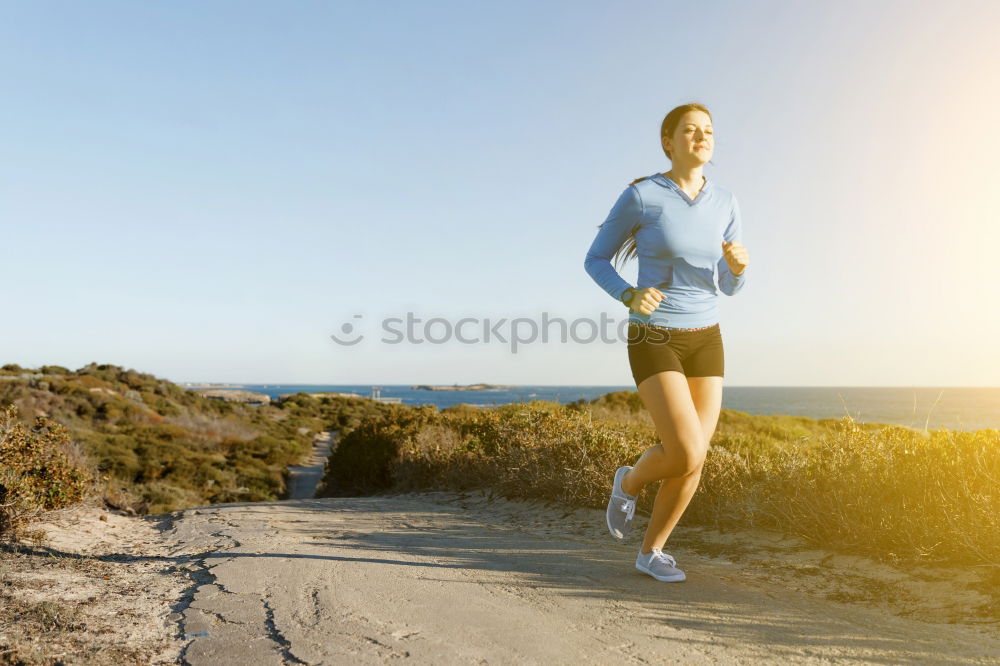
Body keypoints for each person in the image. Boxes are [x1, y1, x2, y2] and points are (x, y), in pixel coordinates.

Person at [583, 102, 750, 583]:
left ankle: (651, 552)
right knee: (684, 451)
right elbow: (596, 260)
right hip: (653, 333)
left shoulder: (727, 202)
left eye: (709, 132)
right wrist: (630, 293)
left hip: (707, 338)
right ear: (668, 141)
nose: (701, 137)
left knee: (695, 454)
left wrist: (738, 269)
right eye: (691, 131)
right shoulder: (642, 196)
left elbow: (728, 286)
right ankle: (629, 481)